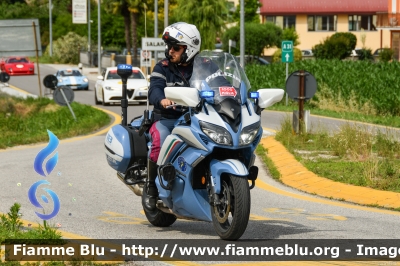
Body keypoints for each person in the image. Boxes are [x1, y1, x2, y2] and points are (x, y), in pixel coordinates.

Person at [143, 22, 201, 211]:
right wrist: (162, 99)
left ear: (190, 48)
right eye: (169, 47)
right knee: (160, 140)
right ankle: (151, 187)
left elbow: (221, 83)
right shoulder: (163, 67)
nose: (170, 51)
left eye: (176, 47)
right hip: (167, 119)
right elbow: (155, 90)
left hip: (195, 118)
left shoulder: (204, 66)